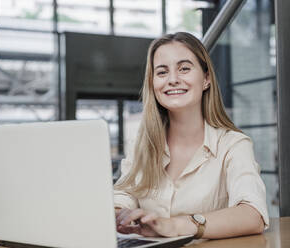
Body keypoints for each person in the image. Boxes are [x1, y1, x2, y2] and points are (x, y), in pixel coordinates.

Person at [114, 32, 269, 240]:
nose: (173, 80)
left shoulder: (233, 145)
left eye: (184, 69)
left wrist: (176, 226)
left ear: (206, 79)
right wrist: (119, 214)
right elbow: (124, 195)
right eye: (162, 72)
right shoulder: (142, 144)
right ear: (152, 84)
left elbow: (253, 214)